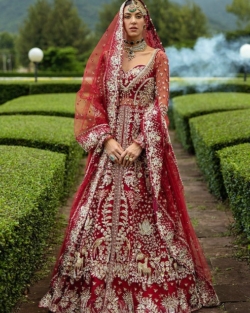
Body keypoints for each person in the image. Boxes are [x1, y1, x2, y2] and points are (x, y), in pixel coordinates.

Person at [39, 0, 220, 312]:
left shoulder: (158, 58)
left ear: (146, 22)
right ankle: (90, 286)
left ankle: (147, 290)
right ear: (120, 21)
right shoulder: (109, 57)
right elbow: (93, 101)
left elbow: (160, 106)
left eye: (139, 16)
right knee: (94, 213)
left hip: (142, 151)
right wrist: (106, 141)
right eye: (128, 16)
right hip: (109, 149)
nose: (133, 20)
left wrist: (139, 143)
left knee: (146, 215)